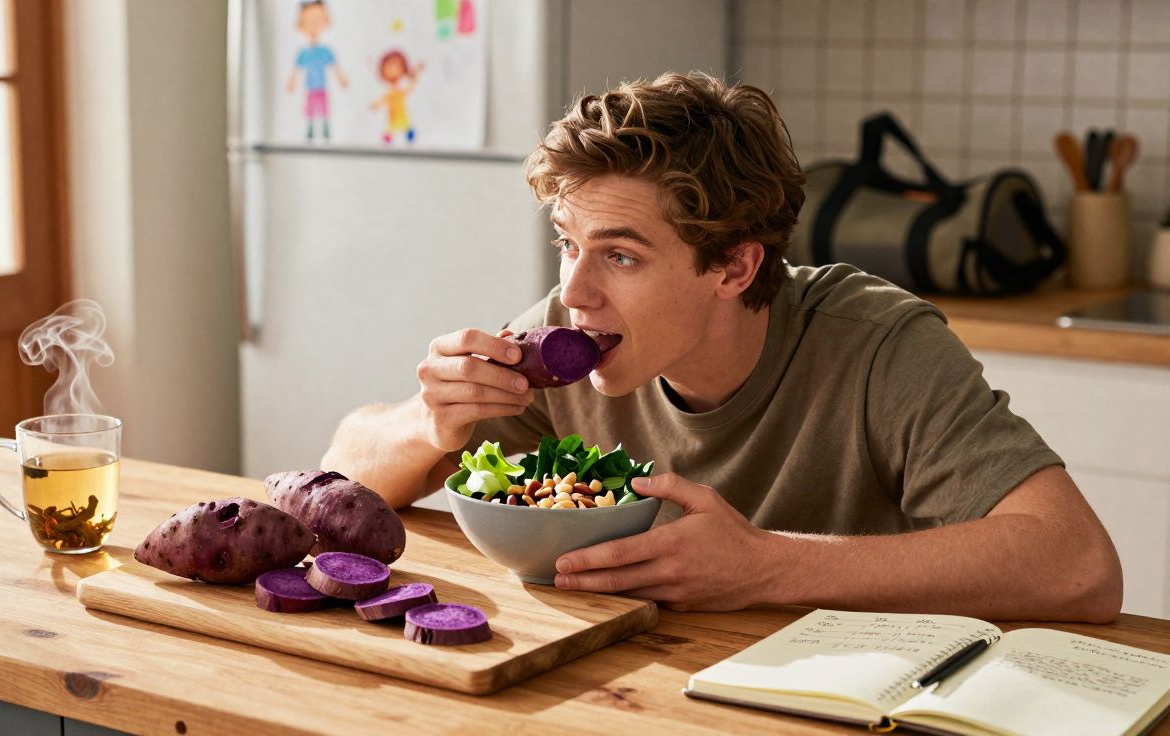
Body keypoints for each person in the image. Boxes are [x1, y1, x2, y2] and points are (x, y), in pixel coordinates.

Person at [321, 72, 1122, 622]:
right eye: (569, 243)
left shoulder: (877, 345)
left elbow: (1080, 567)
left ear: (735, 265)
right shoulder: (573, 331)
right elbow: (339, 476)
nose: (576, 290)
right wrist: (429, 424)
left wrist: (768, 565)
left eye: (622, 255)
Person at [286, 0, 348, 142]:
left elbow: (334, 67)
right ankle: (310, 129)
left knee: (324, 108)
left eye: (318, 20)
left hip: (322, 87)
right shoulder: (303, 53)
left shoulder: (325, 51)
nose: (313, 25)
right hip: (309, 87)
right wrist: (291, 83)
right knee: (309, 110)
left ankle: (326, 129)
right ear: (300, 24)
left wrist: (341, 79)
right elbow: (297, 70)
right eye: (309, 21)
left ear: (326, 22)